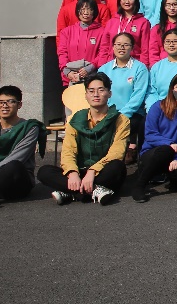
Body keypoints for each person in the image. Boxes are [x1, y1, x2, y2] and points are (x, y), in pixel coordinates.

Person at [37, 73, 131, 205]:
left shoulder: (121, 120)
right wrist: (72, 173)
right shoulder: (76, 119)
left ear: (109, 93)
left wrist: (93, 171)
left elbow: (117, 152)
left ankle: (71, 192)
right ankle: (95, 191)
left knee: (117, 166)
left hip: (102, 172)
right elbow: (68, 150)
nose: (96, 95)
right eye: (91, 91)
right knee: (44, 172)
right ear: (86, 95)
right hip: (80, 170)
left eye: (101, 90)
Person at [131, 70, 177, 202]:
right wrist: (170, 144)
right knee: (165, 150)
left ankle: (173, 179)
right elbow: (150, 134)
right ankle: (139, 186)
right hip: (153, 151)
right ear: (172, 87)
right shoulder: (158, 107)